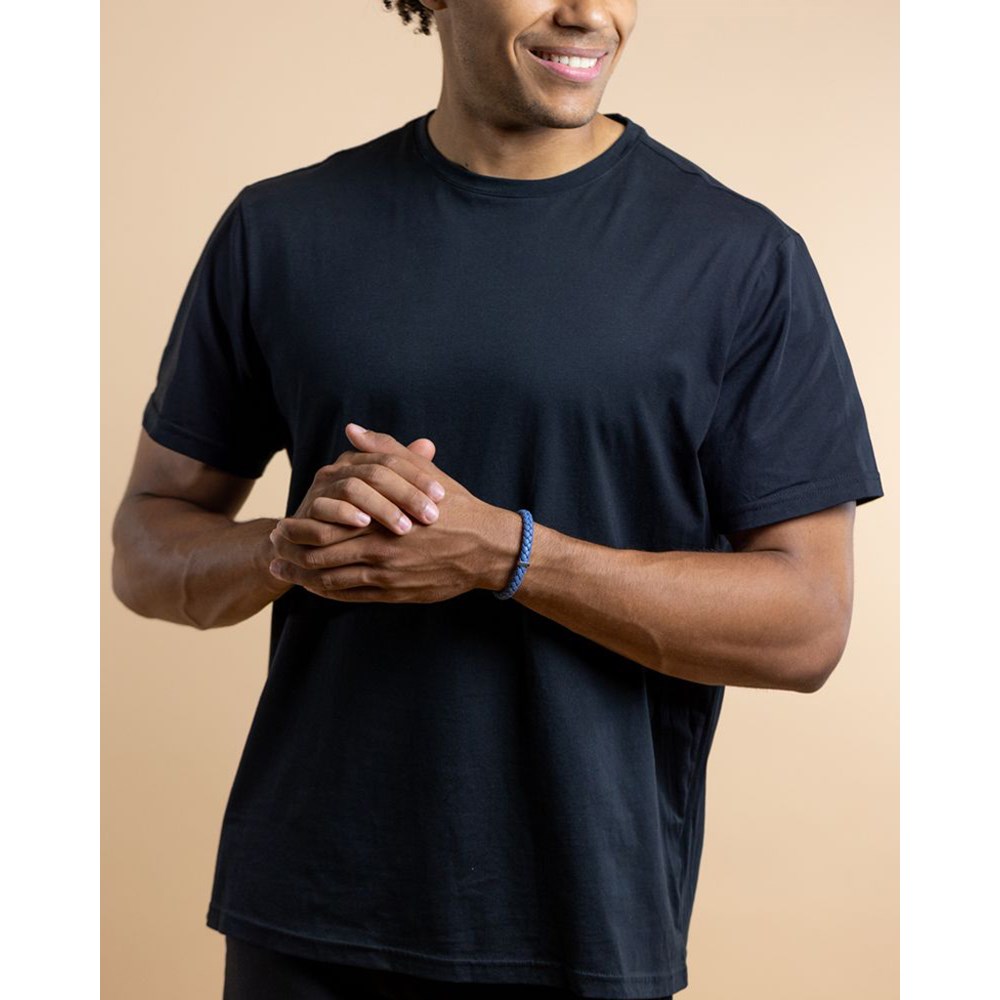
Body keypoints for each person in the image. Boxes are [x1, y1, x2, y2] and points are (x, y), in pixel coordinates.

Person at [111, 1, 885, 997]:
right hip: (308, 916)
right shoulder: (281, 230)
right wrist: (282, 552)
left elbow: (808, 625)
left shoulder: (738, 259)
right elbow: (146, 546)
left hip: (583, 922)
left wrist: (508, 557)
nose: (587, 12)